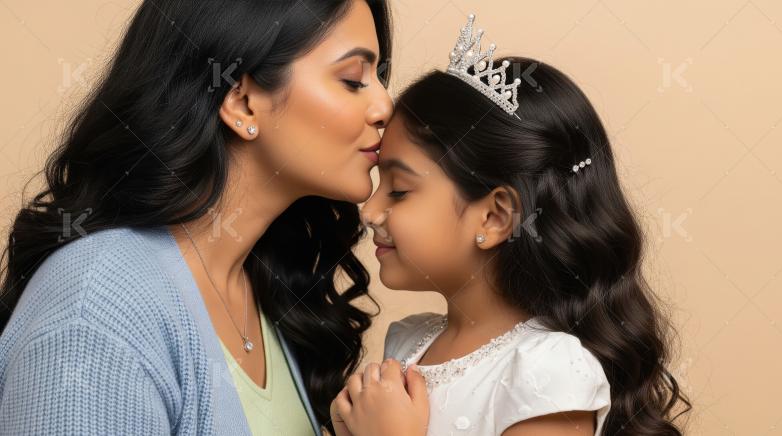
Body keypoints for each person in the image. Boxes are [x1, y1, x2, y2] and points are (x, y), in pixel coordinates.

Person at [0, 1, 393, 434]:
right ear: (242, 103)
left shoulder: (262, 285)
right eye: (353, 80)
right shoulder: (97, 309)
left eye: (379, 78)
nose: (384, 107)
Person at [333, 14, 691, 436]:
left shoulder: (546, 372)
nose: (369, 211)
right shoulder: (408, 342)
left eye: (398, 190)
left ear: (495, 217)